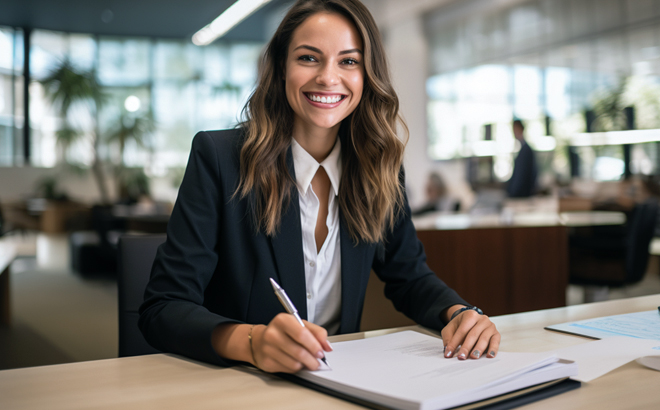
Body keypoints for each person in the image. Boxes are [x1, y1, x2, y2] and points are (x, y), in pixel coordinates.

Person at [139, 0, 500, 374]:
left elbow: (409, 275)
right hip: (243, 383)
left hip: (338, 381)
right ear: (281, 67)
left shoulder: (379, 168)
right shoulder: (220, 159)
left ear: (367, 74)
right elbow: (163, 308)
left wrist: (458, 312)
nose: (328, 77)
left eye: (348, 61)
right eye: (309, 58)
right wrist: (252, 341)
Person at [506, 119, 538, 198]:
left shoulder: (526, 150)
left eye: (515, 129)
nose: (513, 132)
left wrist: (513, 193)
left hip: (522, 195)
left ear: (521, 129)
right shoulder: (522, 149)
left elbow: (521, 175)